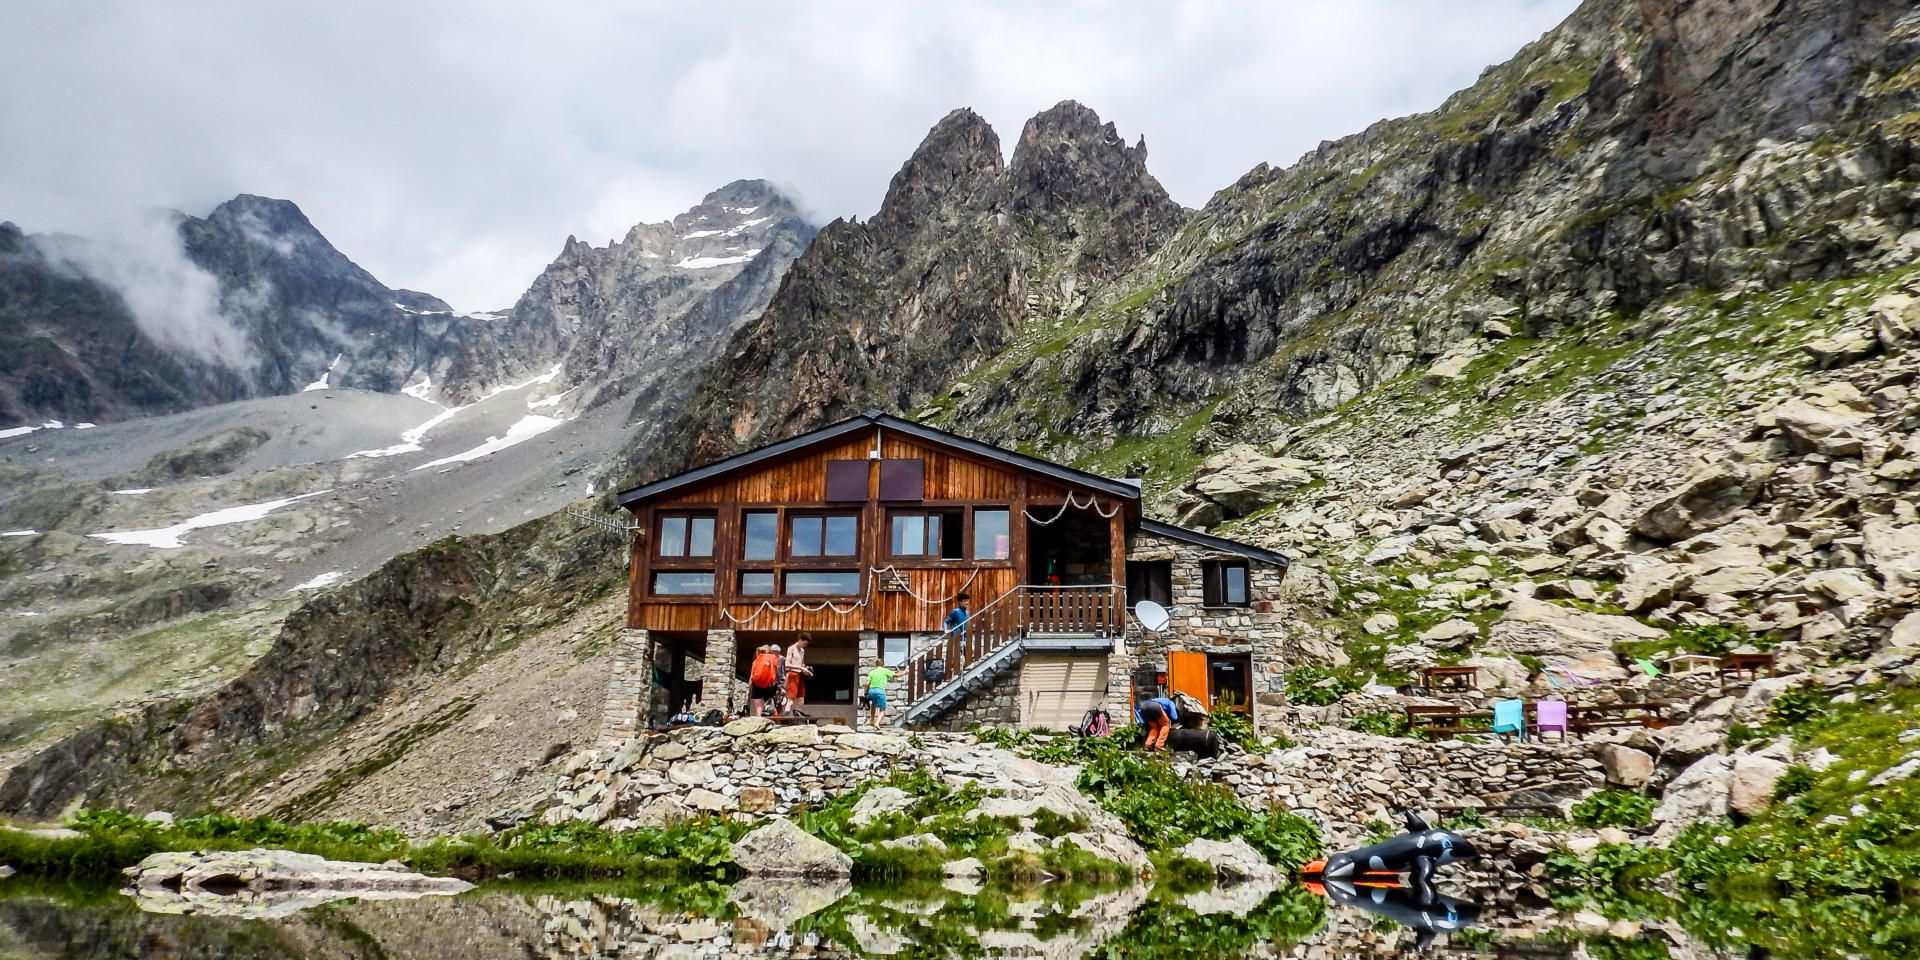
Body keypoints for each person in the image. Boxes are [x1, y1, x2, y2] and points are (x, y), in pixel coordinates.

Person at [784, 633, 814, 716]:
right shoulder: (791, 649)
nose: (804, 645)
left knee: (801, 696)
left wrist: (806, 670)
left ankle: (797, 711)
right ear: (800, 640)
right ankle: (787, 710)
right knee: (792, 694)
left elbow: (801, 664)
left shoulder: (802, 651)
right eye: (804, 643)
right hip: (793, 673)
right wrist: (800, 668)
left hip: (800, 674)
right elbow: (787, 664)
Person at [748, 644, 782, 718]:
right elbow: (775, 671)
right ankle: (774, 717)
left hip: (757, 683)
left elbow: (752, 674)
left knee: (758, 704)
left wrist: (750, 685)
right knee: (770, 702)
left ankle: (759, 718)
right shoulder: (773, 658)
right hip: (768, 683)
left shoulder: (757, 659)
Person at [861, 661, 896, 727]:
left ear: (876, 664)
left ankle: (872, 720)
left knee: (874, 705)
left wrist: (865, 689)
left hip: (871, 691)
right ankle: (877, 723)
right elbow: (897, 675)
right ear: (883, 664)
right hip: (880, 691)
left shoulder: (872, 672)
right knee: (882, 710)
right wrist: (905, 672)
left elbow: (867, 684)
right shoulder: (885, 671)